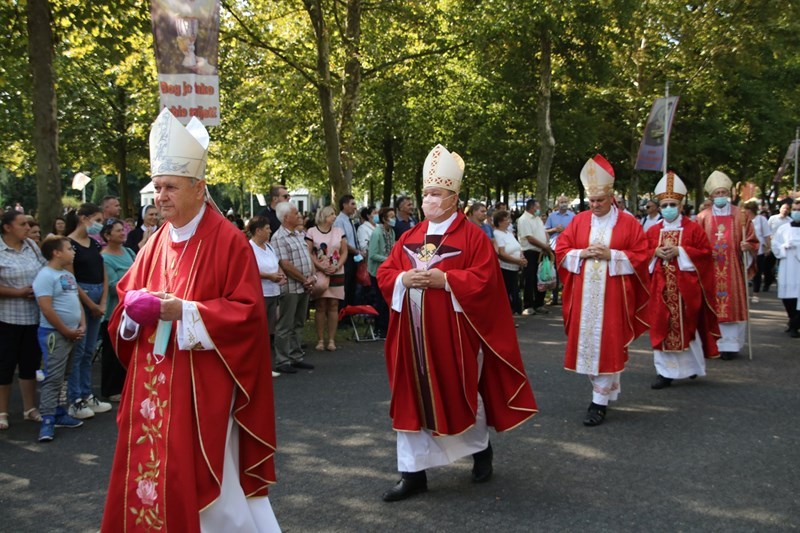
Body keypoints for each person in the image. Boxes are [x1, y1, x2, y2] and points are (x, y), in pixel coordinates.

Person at [101, 108, 278, 531]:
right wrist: (132, 313)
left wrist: (185, 312)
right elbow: (128, 298)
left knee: (205, 476)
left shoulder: (228, 241)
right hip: (153, 383)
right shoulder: (156, 240)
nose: (160, 196)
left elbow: (247, 313)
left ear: (199, 188)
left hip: (203, 385)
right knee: (150, 470)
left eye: (169, 187)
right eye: (157, 188)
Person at [376, 144, 537, 502]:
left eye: (436, 193)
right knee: (410, 398)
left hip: (453, 334)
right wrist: (403, 280)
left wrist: (446, 281)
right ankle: (412, 474)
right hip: (410, 337)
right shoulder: (410, 235)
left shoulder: (472, 237)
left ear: (454, 197)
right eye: (426, 193)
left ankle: (480, 451)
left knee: (459, 391)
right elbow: (386, 271)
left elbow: (486, 281)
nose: (428, 199)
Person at [555, 154, 650, 426]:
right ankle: (604, 393)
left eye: (600, 200)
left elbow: (641, 254)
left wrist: (613, 255)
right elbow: (561, 249)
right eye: (592, 200)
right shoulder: (579, 220)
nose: (595, 205)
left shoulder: (629, 223)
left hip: (614, 296)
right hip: (582, 295)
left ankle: (598, 403)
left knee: (608, 345)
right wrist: (582, 252)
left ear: (611, 197)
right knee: (589, 348)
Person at [645, 172, 720, 389]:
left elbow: (705, 254)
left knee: (687, 326)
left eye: (672, 204)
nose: (668, 207)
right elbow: (642, 254)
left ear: (680, 205)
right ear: (659, 207)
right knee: (661, 326)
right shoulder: (652, 231)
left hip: (686, 288)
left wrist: (681, 251)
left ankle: (691, 368)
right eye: (665, 204)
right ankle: (664, 372)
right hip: (659, 288)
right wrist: (655, 252)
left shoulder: (693, 228)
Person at [695, 171, 759, 359]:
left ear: (729, 193)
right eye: (717, 193)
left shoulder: (740, 216)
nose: (721, 196)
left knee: (732, 305)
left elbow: (753, 240)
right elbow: (695, 243)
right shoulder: (702, 217)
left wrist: (748, 246)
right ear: (711, 196)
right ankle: (713, 343)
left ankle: (731, 346)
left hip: (733, 269)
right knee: (712, 304)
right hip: (710, 270)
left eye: (724, 192)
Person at [33, 237, 86, 441]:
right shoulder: (45, 276)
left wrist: (82, 325)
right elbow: (46, 308)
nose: (73, 251)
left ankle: (60, 412)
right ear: (56, 253)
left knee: (65, 375)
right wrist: (65, 330)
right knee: (53, 377)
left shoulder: (67, 275)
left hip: (72, 333)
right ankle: (47, 419)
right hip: (55, 335)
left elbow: (75, 301)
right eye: (69, 248)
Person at [64, 203, 113, 419]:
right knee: (79, 350)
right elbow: (71, 278)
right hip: (80, 297)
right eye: (97, 220)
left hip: (96, 297)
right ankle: (75, 398)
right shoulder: (69, 245)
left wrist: (102, 301)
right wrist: (90, 304)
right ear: (84, 218)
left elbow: (102, 271)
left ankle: (86, 393)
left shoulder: (93, 244)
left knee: (89, 349)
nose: (99, 225)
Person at [0, 211, 46, 430]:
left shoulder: (31, 246)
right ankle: (2, 411)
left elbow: (44, 270)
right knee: (5, 366)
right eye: (22, 224)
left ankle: (30, 408)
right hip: (7, 318)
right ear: (7, 227)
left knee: (30, 364)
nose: (27, 228)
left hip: (33, 316)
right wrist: (17, 292)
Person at [272, 201, 316, 374]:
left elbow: (307, 256)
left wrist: (311, 277)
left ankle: (296, 356)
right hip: (290, 287)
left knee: (299, 322)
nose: (299, 216)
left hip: (303, 285)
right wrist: (305, 279)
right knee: (285, 324)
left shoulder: (298, 234)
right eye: (295, 213)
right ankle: (283, 360)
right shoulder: (278, 238)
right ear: (285, 217)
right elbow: (285, 264)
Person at [99, 219, 136, 401]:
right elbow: (113, 286)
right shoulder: (104, 258)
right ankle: (111, 388)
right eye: (118, 230)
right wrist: (134, 284)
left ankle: (127, 385)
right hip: (115, 311)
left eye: (123, 230)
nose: (123, 233)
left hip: (132, 310)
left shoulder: (129, 252)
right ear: (107, 235)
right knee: (112, 353)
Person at [248, 216, 286, 377]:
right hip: (260, 294)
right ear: (258, 230)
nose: (270, 231)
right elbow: (249, 270)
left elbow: (277, 265)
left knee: (268, 332)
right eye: (267, 228)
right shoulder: (249, 247)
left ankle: (265, 367)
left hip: (273, 292)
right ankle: (255, 367)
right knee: (257, 332)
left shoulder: (269, 247)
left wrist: (280, 275)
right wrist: (269, 276)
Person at [307, 205, 348, 351]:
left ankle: (331, 340)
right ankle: (320, 340)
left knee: (333, 305)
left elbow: (344, 251)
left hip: (336, 271)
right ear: (324, 216)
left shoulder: (339, 231)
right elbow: (309, 252)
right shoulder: (311, 231)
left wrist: (337, 266)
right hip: (320, 272)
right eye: (331, 214)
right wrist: (320, 266)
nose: (334, 216)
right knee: (320, 305)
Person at [771, 198, 800, 337]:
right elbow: (775, 245)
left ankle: (795, 325)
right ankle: (792, 320)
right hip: (788, 266)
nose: (796, 212)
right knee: (788, 297)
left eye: (799, 210)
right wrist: (783, 247)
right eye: (794, 210)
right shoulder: (783, 228)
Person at [517, 198, 550, 315]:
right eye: (538, 207)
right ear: (532, 207)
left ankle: (539, 303)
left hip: (541, 251)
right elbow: (529, 238)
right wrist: (544, 246)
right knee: (530, 279)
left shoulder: (537, 219)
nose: (539, 209)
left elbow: (544, 232)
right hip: (530, 252)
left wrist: (547, 244)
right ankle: (528, 305)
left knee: (541, 277)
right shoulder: (524, 220)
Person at [367, 207, 395, 338]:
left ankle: (387, 326)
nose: (394, 219)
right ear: (384, 219)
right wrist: (389, 259)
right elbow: (373, 254)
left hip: (388, 271)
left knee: (387, 300)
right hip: (376, 271)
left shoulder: (391, 232)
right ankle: (379, 328)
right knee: (380, 301)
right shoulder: (377, 233)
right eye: (391, 217)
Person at [493, 210, 526, 314]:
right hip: (505, 268)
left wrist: (522, 257)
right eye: (506, 219)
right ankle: (507, 313)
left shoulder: (509, 233)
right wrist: (517, 261)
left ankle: (514, 311)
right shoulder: (497, 234)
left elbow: (517, 247)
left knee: (515, 290)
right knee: (507, 291)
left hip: (515, 267)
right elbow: (501, 253)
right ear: (500, 221)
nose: (509, 221)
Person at [544, 196, 575, 305]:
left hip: (567, 248)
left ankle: (565, 296)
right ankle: (554, 297)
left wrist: (565, 230)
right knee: (554, 273)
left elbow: (576, 232)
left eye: (566, 202)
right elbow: (546, 230)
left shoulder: (573, 216)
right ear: (558, 203)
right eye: (562, 202)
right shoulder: (552, 216)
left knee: (566, 272)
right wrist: (555, 229)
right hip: (554, 247)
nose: (564, 204)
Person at [743, 200, 772, 303]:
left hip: (758, 250)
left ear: (752, 210)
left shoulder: (761, 220)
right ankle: (743, 293)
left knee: (757, 272)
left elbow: (766, 234)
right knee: (743, 272)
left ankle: (755, 294)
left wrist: (768, 247)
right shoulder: (743, 220)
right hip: (744, 250)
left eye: (747, 210)